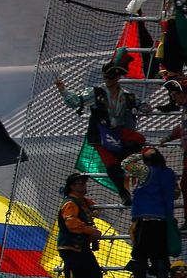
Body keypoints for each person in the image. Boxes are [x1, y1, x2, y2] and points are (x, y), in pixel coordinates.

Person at [58, 64, 147, 202]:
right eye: (106, 76)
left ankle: (122, 159)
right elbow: (76, 102)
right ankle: (123, 193)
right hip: (101, 135)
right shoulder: (95, 93)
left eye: (111, 77)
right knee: (111, 165)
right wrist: (63, 90)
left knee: (139, 139)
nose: (108, 80)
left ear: (117, 77)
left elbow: (142, 105)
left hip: (119, 132)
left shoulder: (126, 96)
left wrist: (145, 107)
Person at [55, 173, 106, 278]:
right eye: (79, 183)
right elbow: (71, 224)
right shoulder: (70, 203)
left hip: (80, 247)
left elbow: (91, 206)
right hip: (71, 247)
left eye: (84, 183)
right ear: (72, 186)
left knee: (94, 276)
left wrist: (92, 211)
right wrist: (90, 230)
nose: (83, 185)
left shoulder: (81, 202)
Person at [127, 148, 179, 278]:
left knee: (139, 255)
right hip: (163, 219)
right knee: (161, 255)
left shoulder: (145, 172)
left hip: (145, 220)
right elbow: (175, 193)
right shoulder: (169, 173)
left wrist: (139, 153)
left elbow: (126, 164)